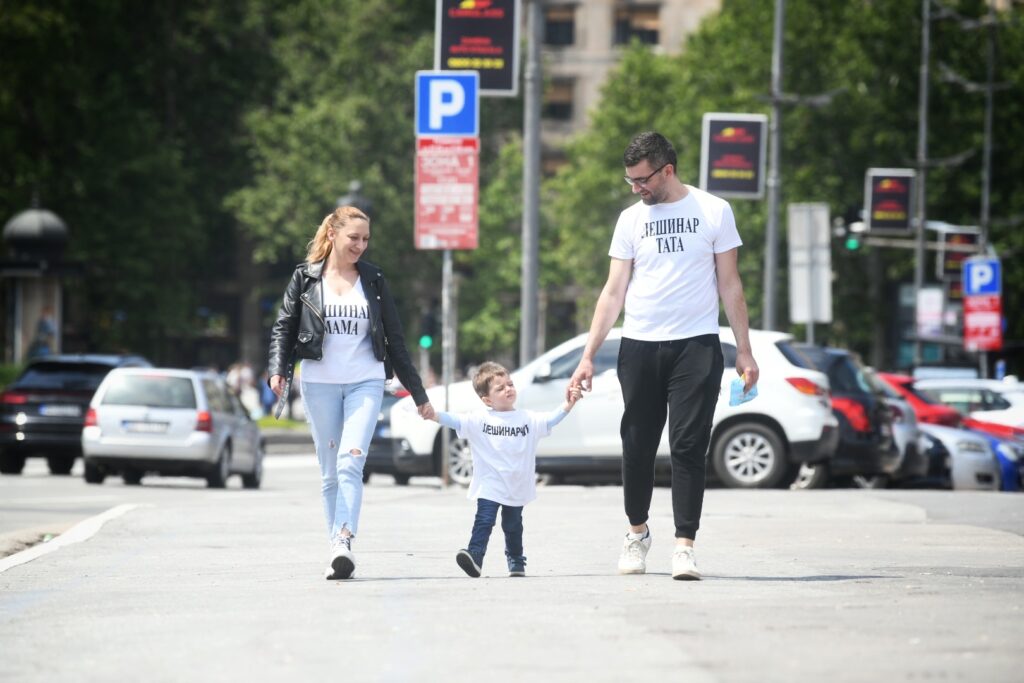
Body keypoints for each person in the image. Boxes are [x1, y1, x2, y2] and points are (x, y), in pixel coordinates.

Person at [567, 131, 759, 581]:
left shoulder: (714, 211)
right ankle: (637, 533)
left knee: (689, 446)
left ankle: (684, 545)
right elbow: (613, 291)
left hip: (696, 344)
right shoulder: (630, 220)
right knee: (636, 444)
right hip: (639, 344)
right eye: (630, 181)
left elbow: (731, 285)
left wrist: (745, 351)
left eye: (642, 180)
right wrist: (588, 355)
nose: (636, 189)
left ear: (667, 170)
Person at [267, 205, 434, 580]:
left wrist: (419, 394)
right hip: (319, 382)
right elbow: (283, 326)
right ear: (332, 235)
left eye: (365, 239)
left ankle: (344, 540)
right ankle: (335, 549)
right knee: (330, 473)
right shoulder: (305, 278)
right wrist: (277, 368)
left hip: (366, 381)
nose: (361, 245)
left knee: (351, 461)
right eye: (354, 238)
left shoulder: (373, 280)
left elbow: (396, 340)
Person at [427, 362, 582, 578]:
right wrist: (434, 415)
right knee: (484, 519)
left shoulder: (528, 418)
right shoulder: (479, 419)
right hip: (490, 483)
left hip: (516, 485)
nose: (508, 389)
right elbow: (455, 420)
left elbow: (551, 419)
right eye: (500, 388)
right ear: (487, 400)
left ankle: (516, 559)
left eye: (509, 384)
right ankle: (475, 556)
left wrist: (569, 403)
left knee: (512, 525)